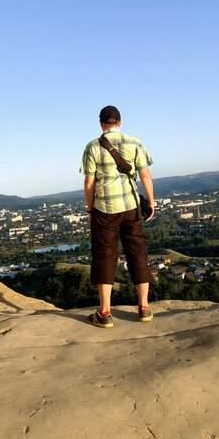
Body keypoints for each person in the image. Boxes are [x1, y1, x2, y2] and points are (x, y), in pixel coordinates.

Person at [79, 105, 157, 328]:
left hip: (105, 210)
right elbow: (145, 174)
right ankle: (144, 308)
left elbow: (88, 182)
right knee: (137, 253)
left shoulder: (92, 147)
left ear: (101, 123)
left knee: (104, 256)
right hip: (131, 208)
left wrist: (90, 210)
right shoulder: (134, 143)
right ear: (120, 123)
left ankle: (105, 313)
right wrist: (151, 202)